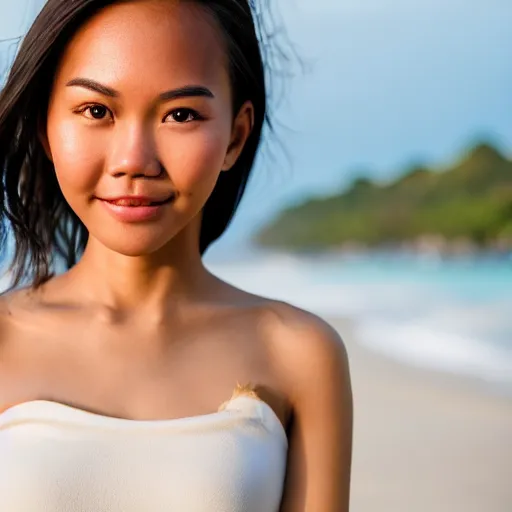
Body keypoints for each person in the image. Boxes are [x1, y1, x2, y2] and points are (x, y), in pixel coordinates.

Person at [0, 0, 353, 510]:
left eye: (180, 114)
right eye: (97, 111)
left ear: (235, 135)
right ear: (44, 128)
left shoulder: (299, 354)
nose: (133, 161)